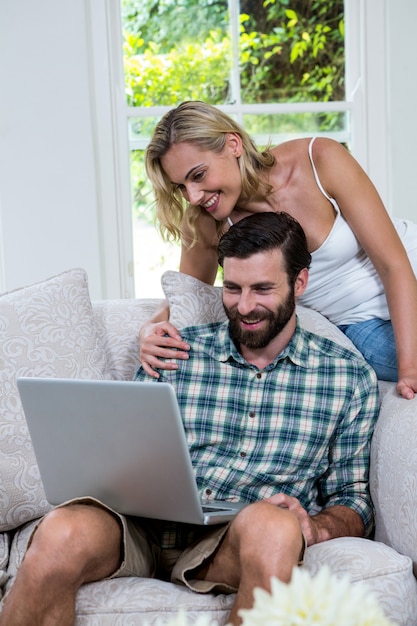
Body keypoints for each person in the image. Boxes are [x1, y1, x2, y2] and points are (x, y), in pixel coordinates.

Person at [0, 212, 380, 626]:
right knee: (61, 531)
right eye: (232, 288)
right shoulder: (173, 351)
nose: (246, 306)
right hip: (136, 528)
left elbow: (352, 497)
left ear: (299, 283)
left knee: (276, 527)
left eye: (263, 289)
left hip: (232, 541)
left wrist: (317, 527)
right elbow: (122, 447)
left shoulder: (346, 376)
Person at [139, 100, 417, 400]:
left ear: (233, 144)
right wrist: (149, 329)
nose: (192, 197)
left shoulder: (320, 159)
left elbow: (393, 265)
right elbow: (186, 294)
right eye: (180, 186)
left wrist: (409, 369)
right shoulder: (206, 223)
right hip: (360, 322)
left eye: (198, 175)